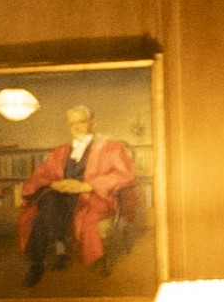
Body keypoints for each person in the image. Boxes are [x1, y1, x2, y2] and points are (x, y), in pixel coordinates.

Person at [14, 102, 143, 286]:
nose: (76, 127)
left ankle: (50, 257)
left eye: (81, 122)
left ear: (93, 123)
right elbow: (41, 174)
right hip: (61, 198)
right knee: (49, 199)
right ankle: (42, 261)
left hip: (93, 198)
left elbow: (125, 175)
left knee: (42, 215)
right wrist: (55, 183)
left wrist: (87, 186)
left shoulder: (110, 147)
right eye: (72, 123)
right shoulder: (60, 151)